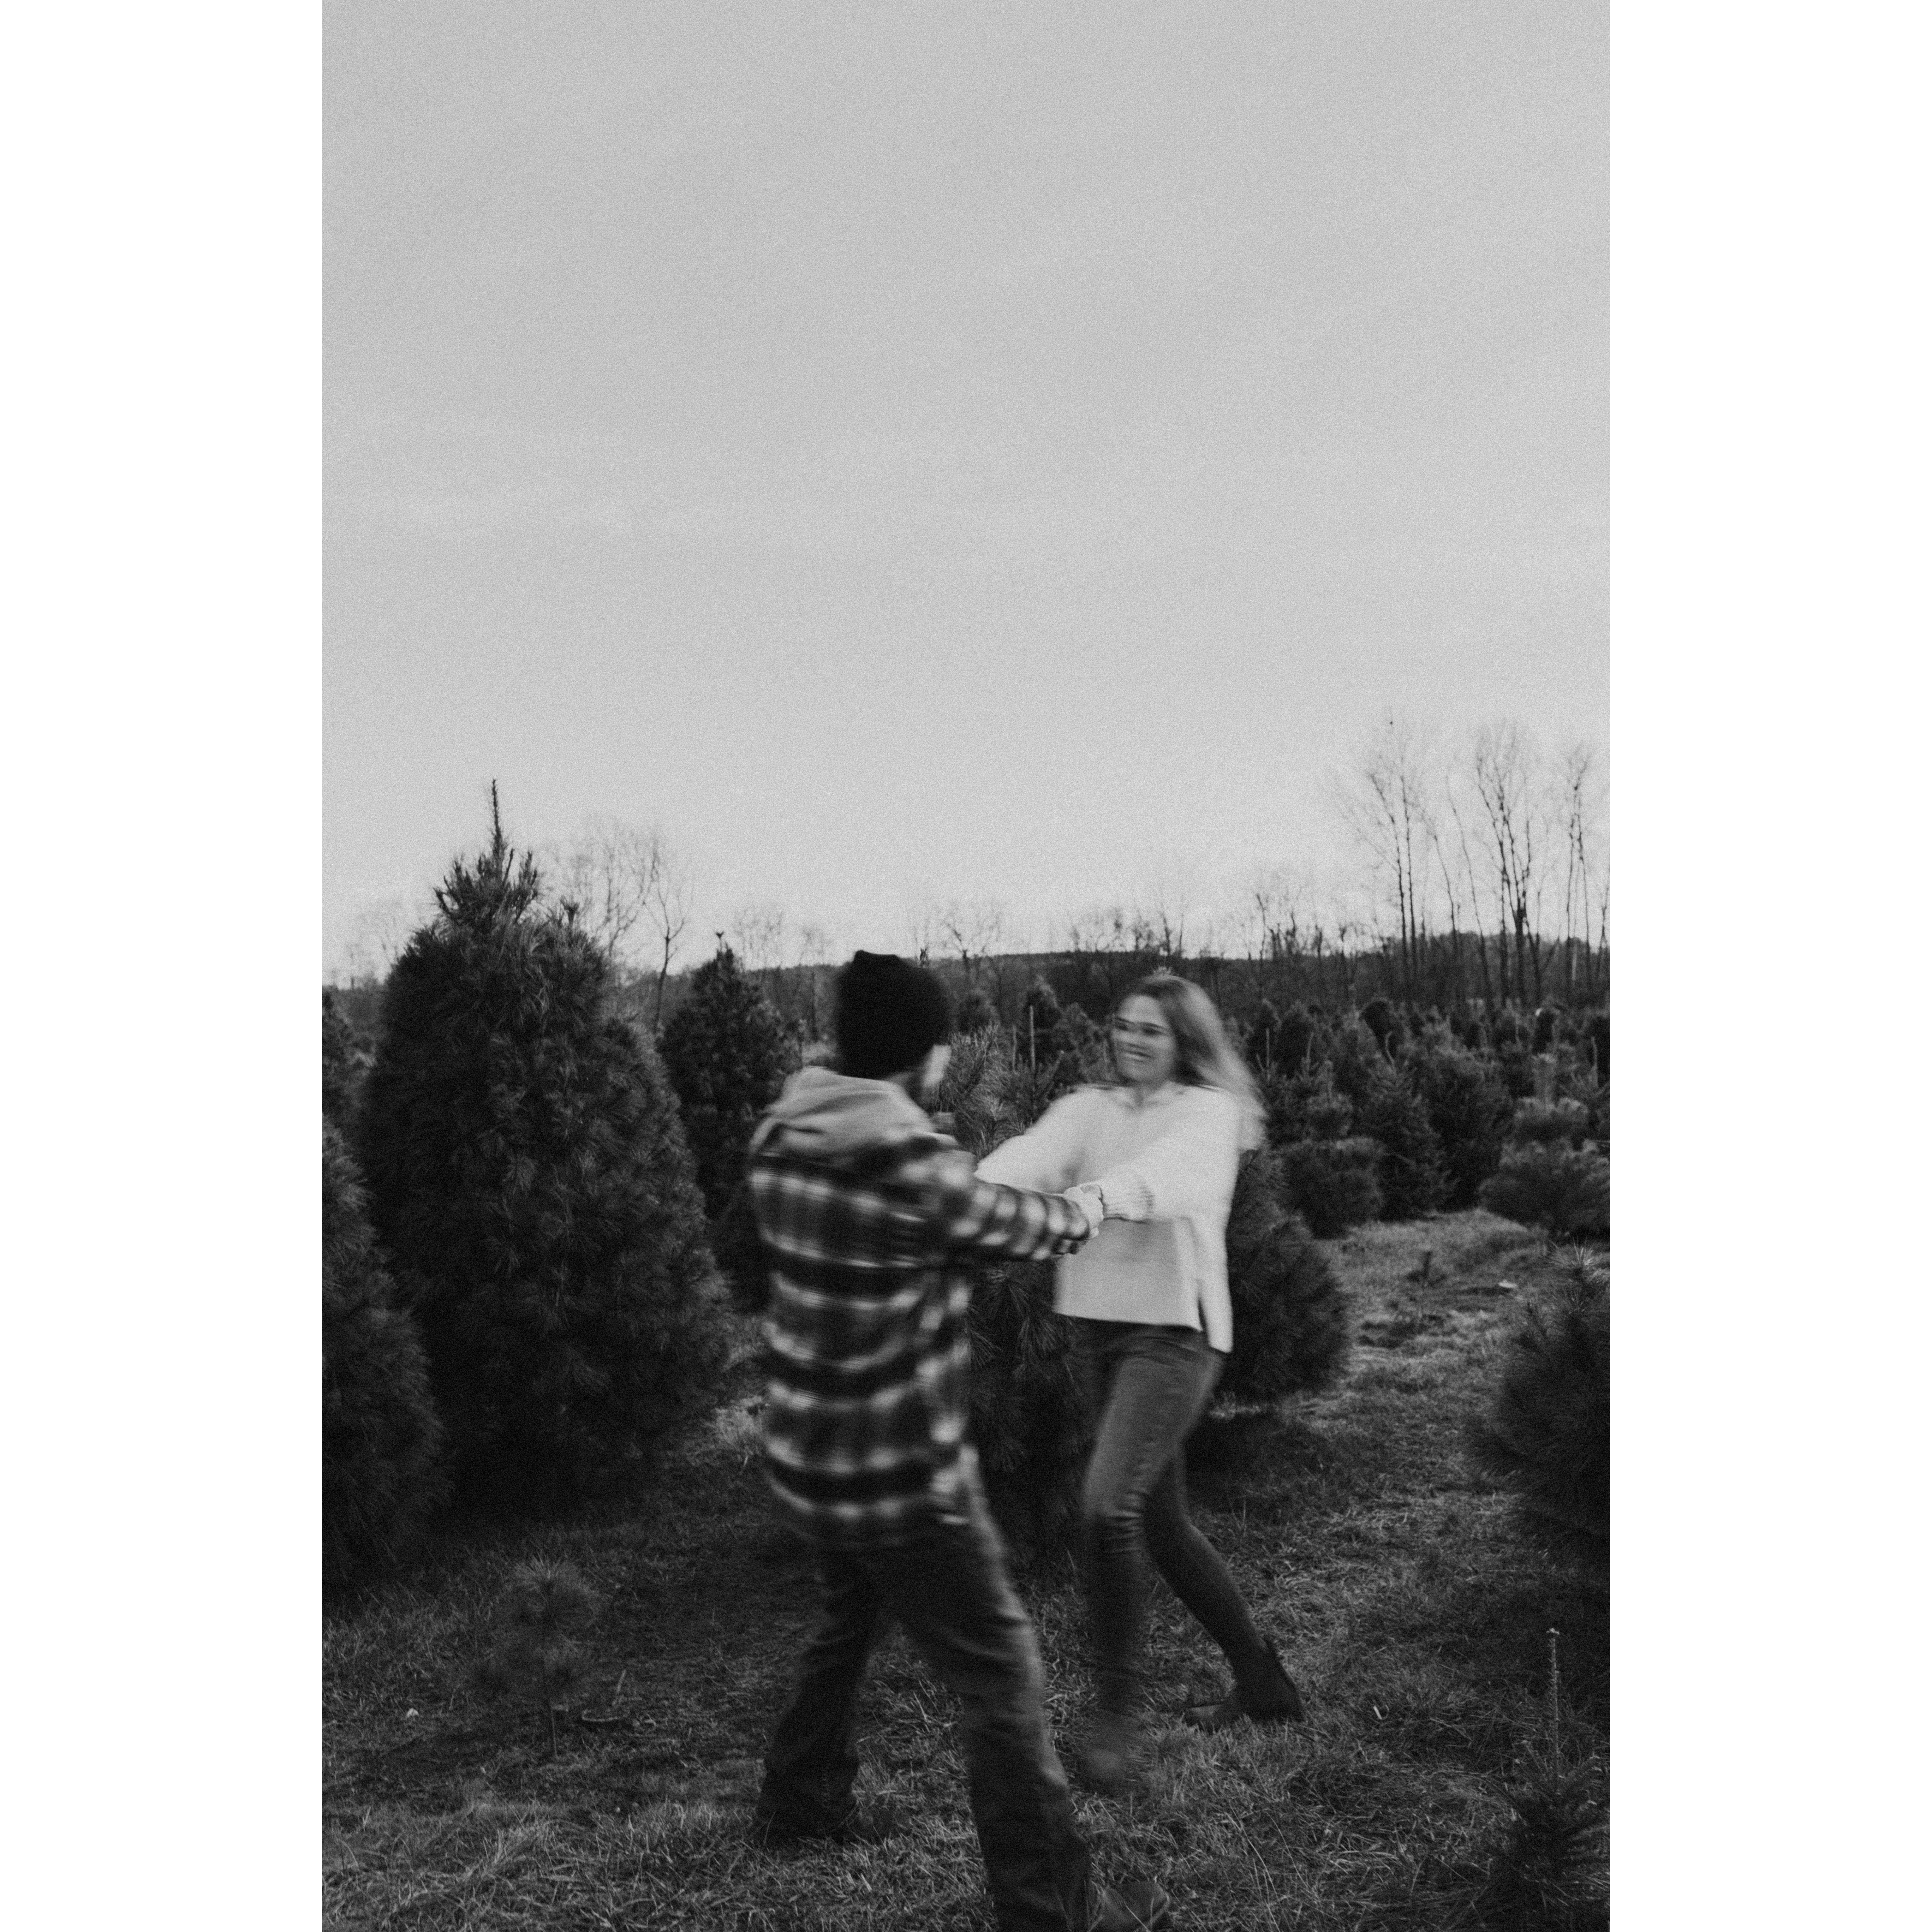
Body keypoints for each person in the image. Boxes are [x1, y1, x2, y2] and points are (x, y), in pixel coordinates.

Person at [747, 951, 1172, 1932]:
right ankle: (1053, 1908)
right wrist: (1090, 1204)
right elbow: (1016, 1224)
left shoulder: (782, 1135)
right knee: (1002, 1673)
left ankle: (800, 1798)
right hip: (898, 1475)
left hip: (809, 1456)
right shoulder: (907, 1163)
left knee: (848, 1617)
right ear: (926, 1055)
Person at [976, 972, 1307, 1791]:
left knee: (1105, 1507)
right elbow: (1031, 1157)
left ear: (1184, 1042)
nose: (1131, 1040)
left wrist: (1090, 1201)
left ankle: (1116, 1716)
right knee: (1162, 1524)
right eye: (1123, 1026)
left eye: (1151, 1031)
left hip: (1175, 1336)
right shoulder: (1089, 1108)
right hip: (1102, 1333)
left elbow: (1165, 1179)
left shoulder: (1208, 1114)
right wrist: (974, 1189)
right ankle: (1263, 1681)